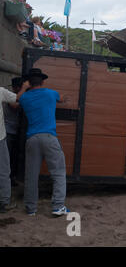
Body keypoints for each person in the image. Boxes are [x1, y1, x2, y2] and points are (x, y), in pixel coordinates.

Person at [17, 68, 69, 217]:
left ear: (29, 82)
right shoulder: (51, 93)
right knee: (58, 173)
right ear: (43, 81)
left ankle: (31, 209)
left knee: (31, 175)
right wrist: (66, 97)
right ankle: (58, 206)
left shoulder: (25, 98)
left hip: (32, 139)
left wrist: (23, 88)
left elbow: (16, 99)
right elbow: (62, 98)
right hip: (49, 137)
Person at [0, 84, 17, 213]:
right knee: (4, 171)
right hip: (0, 138)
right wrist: (25, 87)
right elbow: (16, 100)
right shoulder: (0, 91)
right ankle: (4, 202)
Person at [3, 77, 23, 186]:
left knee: (14, 157)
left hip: (15, 132)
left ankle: (11, 179)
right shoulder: (9, 95)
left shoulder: (17, 96)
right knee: (7, 157)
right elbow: (15, 106)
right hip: (8, 132)